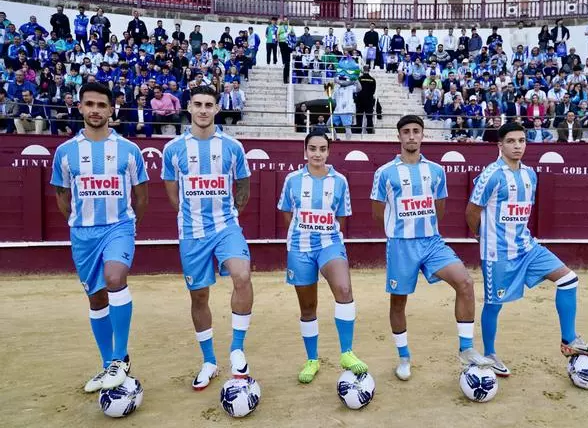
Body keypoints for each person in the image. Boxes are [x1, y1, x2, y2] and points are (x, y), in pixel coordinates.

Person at [465, 122, 588, 378]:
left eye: (521, 140)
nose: (517, 145)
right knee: (494, 304)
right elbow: (472, 211)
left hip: (528, 247)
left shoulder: (530, 175)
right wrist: (480, 237)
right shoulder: (491, 174)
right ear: (500, 145)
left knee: (568, 279)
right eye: (511, 141)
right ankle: (489, 353)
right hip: (498, 253)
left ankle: (569, 340)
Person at [370, 115, 494, 382]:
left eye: (416, 131)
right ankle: (403, 356)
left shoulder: (436, 171)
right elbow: (377, 213)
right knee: (399, 301)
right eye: (406, 132)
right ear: (399, 137)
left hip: (432, 242)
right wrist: (398, 232)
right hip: (401, 245)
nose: (411, 136)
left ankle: (467, 349)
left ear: (423, 135)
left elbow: (440, 207)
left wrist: (426, 229)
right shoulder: (385, 172)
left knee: (465, 282)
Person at [49, 82, 149, 393]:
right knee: (96, 299)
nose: (95, 110)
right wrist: (78, 223)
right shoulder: (65, 152)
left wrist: (129, 226)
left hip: (119, 227)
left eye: (101, 105)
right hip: (83, 235)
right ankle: (108, 365)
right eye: (89, 104)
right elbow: (62, 195)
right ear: (79, 107)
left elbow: (141, 195)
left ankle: (120, 359)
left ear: (111, 109)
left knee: (115, 277)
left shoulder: (128, 150)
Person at [161, 85, 254, 391]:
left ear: (217, 108)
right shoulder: (173, 149)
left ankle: (237, 349)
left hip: (226, 226)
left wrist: (228, 216)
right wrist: (192, 218)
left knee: (242, 275)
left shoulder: (232, 147)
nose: (203, 109)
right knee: (199, 297)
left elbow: (242, 188)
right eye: (198, 104)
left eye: (209, 104)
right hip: (191, 233)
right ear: (189, 107)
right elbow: (173, 195)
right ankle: (210, 361)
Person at [277, 132, 368, 384]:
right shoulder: (292, 179)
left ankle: (347, 353)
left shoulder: (339, 181)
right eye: (313, 148)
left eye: (323, 149)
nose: (317, 154)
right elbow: (287, 213)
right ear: (305, 150)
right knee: (307, 307)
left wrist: (324, 232)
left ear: (329, 151)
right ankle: (312, 359)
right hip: (300, 247)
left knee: (344, 288)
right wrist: (302, 233)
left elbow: (340, 217)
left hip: (330, 243)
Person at [354, 65, 376, 135]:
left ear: (363, 70)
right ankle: (369, 131)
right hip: (369, 100)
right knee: (369, 117)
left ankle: (358, 131)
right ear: (369, 70)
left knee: (359, 116)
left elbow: (356, 89)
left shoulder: (359, 79)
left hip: (360, 100)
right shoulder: (372, 80)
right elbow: (373, 91)